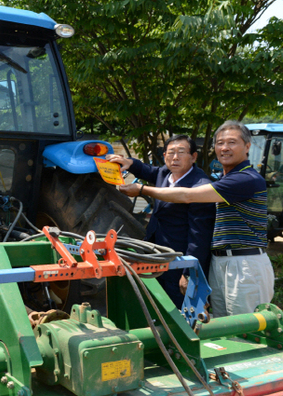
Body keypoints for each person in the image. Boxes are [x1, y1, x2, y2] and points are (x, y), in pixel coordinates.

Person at [119, 121, 273, 317]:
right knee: (221, 325)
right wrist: (130, 163)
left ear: (247, 146)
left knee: (244, 326)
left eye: (232, 142)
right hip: (220, 261)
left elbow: (188, 199)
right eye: (220, 143)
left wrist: (141, 189)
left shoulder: (244, 179)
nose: (224, 148)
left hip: (243, 264)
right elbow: (150, 171)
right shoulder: (223, 178)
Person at [107, 135, 216, 307]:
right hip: (156, 256)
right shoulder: (165, 173)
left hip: (179, 262)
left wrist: (189, 273)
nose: (175, 157)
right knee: (156, 307)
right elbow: (148, 170)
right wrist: (128, 162)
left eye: (181, 152)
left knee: (180, 311)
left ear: (194, 157)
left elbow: (200, 237)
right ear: (164, 155)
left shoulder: (200, 187)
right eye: (170, 152)